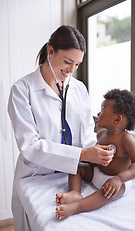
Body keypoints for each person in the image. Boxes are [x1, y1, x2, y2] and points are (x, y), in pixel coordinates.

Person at [8, 25, 115, 231]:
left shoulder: (79, 88)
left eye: (77, 64)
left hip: (74, 172)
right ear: (50, 51)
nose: (71, 70)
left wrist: (100, 153)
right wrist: (83, 154)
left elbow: (86, 134)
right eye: (67, 62)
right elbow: (30, 146)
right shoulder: (22, 90)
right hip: (37, 173)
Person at [55, 88, 135, 221]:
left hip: (115, 182)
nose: (98, 113)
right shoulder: (101, 134)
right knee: (75, 165)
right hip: (97, 174)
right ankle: (75, 192)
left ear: (116, 119)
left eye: (103, 110)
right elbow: (97, 159)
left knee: (109, 193)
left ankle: (77, 207)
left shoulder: (126, 139)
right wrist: (93, 161)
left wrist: (119, 179)